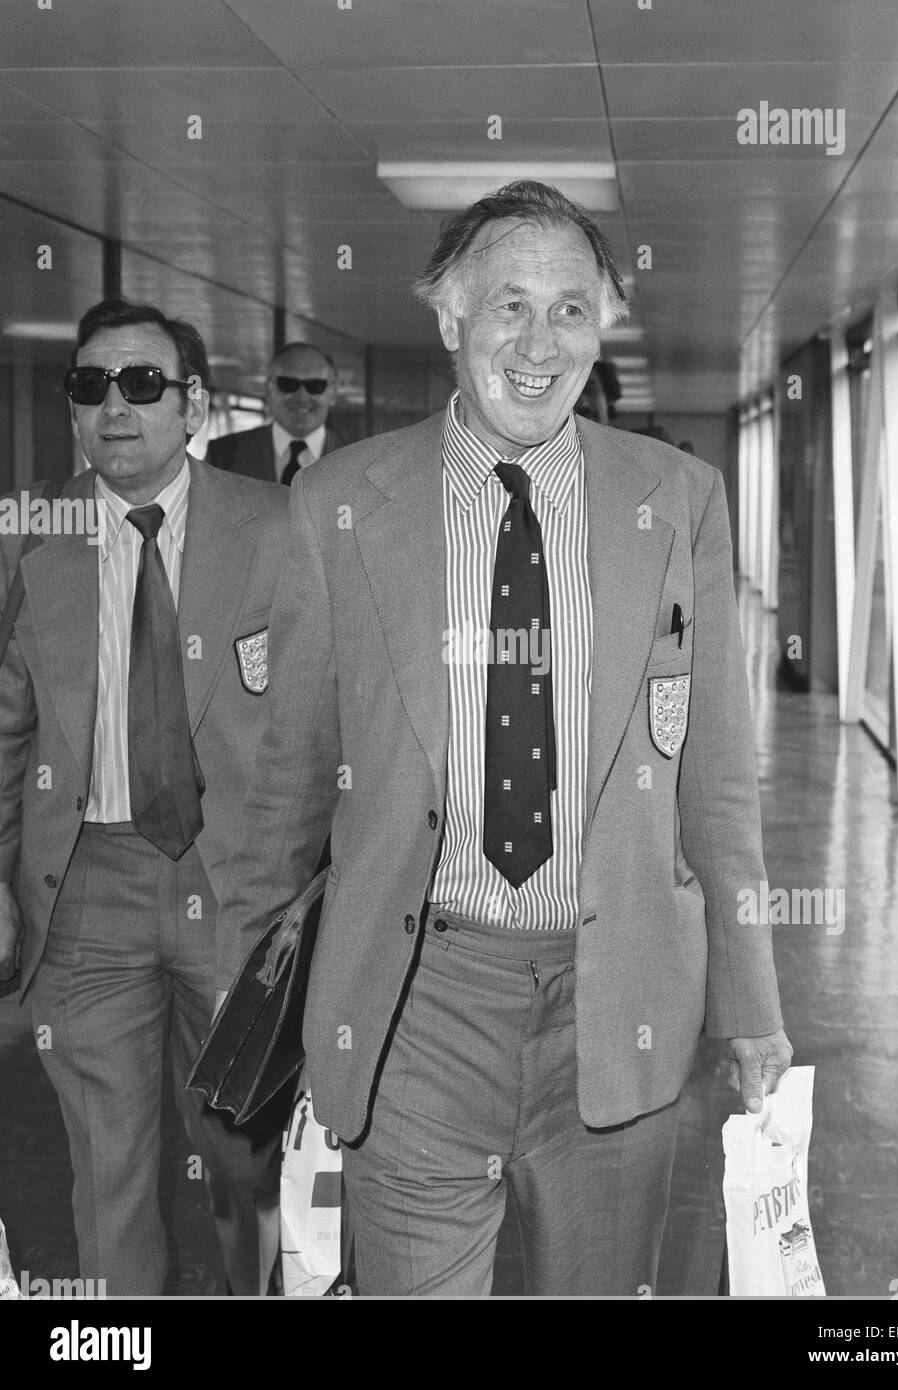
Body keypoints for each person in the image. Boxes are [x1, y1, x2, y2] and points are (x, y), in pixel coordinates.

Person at [214, 180, 792, 1296]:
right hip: (417, 997)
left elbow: (717, 779)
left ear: (603, 327)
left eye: (572, 309)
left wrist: (751, 1004)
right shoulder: (339, 506)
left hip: (617, 991)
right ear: (450, 322)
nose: (539, 342)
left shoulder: (678, 500)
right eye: (508, 306)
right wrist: (260, 1007)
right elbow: (285, 788)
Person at [0, 298, 289, 1296]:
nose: (114, 405)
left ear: (194, 404)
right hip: (89, 891)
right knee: (108, 1170)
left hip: (237, 887)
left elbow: (332, 719)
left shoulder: (278, 530)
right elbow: (4, 731)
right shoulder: (32, 547)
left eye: (141, 383)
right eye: (90, 386)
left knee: (244, 1160)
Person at [207, 343, 336, 484]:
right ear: (268, 389)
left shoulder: (360, 459)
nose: (301, 396)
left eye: (315, 386)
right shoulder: (222, 455)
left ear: (333, 392)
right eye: (288, 384)